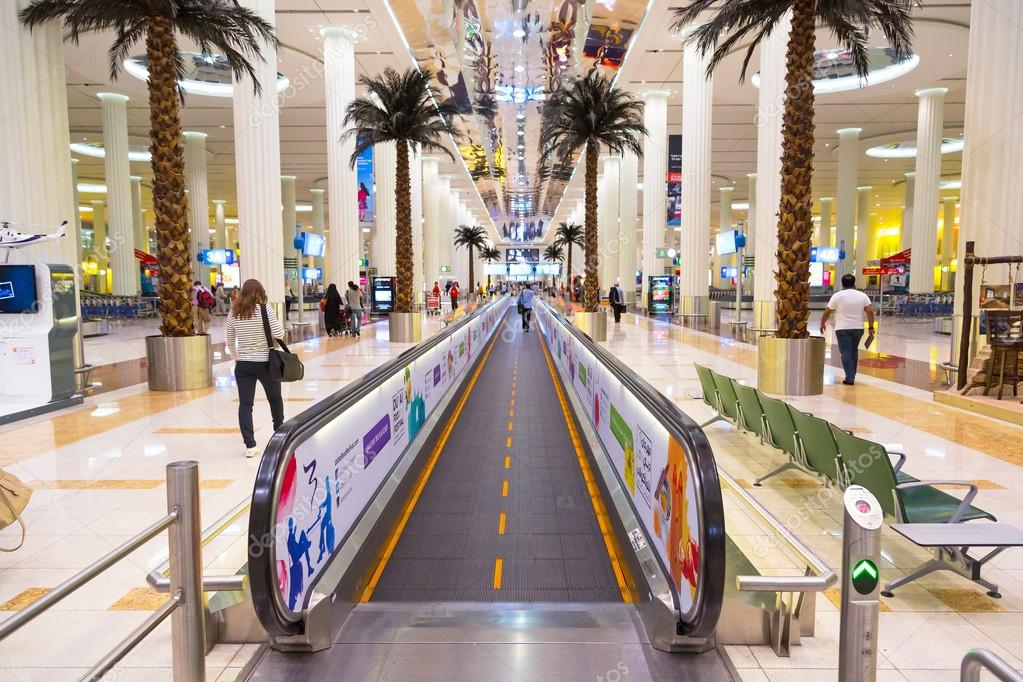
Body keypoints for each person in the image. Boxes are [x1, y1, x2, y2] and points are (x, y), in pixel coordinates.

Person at [226, 279, 286, 457]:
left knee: (245, 405)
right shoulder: (265, 310)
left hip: (243, 365)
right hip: (266, 363)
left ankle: (250, 446)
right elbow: (279, 333)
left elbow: (229, 340)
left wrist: (236, 357)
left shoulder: (233, 312)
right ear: (260, 292)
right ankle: (279, 436)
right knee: (275, 399)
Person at [820, 274, 875, 386]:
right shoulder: (862, 296)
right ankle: (852, 375)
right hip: (858, 328)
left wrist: (822, 323)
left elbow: (827, 311)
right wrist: (871, 327)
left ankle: (850, 378)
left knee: (845, 352)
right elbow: (870, 311)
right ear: (854, 283)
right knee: (853, 351)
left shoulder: (837, 296)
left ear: (842, 283)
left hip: (842, 328)